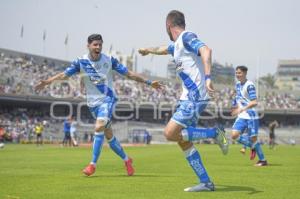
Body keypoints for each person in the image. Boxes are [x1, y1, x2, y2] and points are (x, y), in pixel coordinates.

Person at [35, 33, 162, 177]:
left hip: (108, 99)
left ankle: (92, 165)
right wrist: (47, 82)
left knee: (99, 126)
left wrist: (149, 82)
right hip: (92, 104)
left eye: (100, 44)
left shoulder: (109, 60)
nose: (98, 47)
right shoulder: (81, 62)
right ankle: (127, 160)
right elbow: (64, 75)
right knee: (109, 136)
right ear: (88, 45)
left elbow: (129, 74)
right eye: (95, 44)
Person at [138, 10, 228, 192]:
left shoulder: (187, 37)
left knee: (170, 133)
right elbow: (163, 49)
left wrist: (209, 76)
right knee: (183, 140)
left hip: (194, 98)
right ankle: (206, 182)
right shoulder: (177, 45)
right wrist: (148, 50)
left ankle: (214, 133)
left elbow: (206, 50)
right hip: (188, 98)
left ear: (168, 26)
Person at [231, 66, 267, 166]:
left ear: (245, 73)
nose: (237, 75)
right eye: (236, 73)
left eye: (239, 73)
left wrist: (241, 109)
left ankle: (263, 160)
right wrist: (234, 106)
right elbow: (238, 97)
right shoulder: (238, 85)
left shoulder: (250, 85)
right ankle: (253, 146)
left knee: (254, 138)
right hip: (242, 116)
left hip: (251, 116)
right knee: (234, 135)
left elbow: (254, 102)